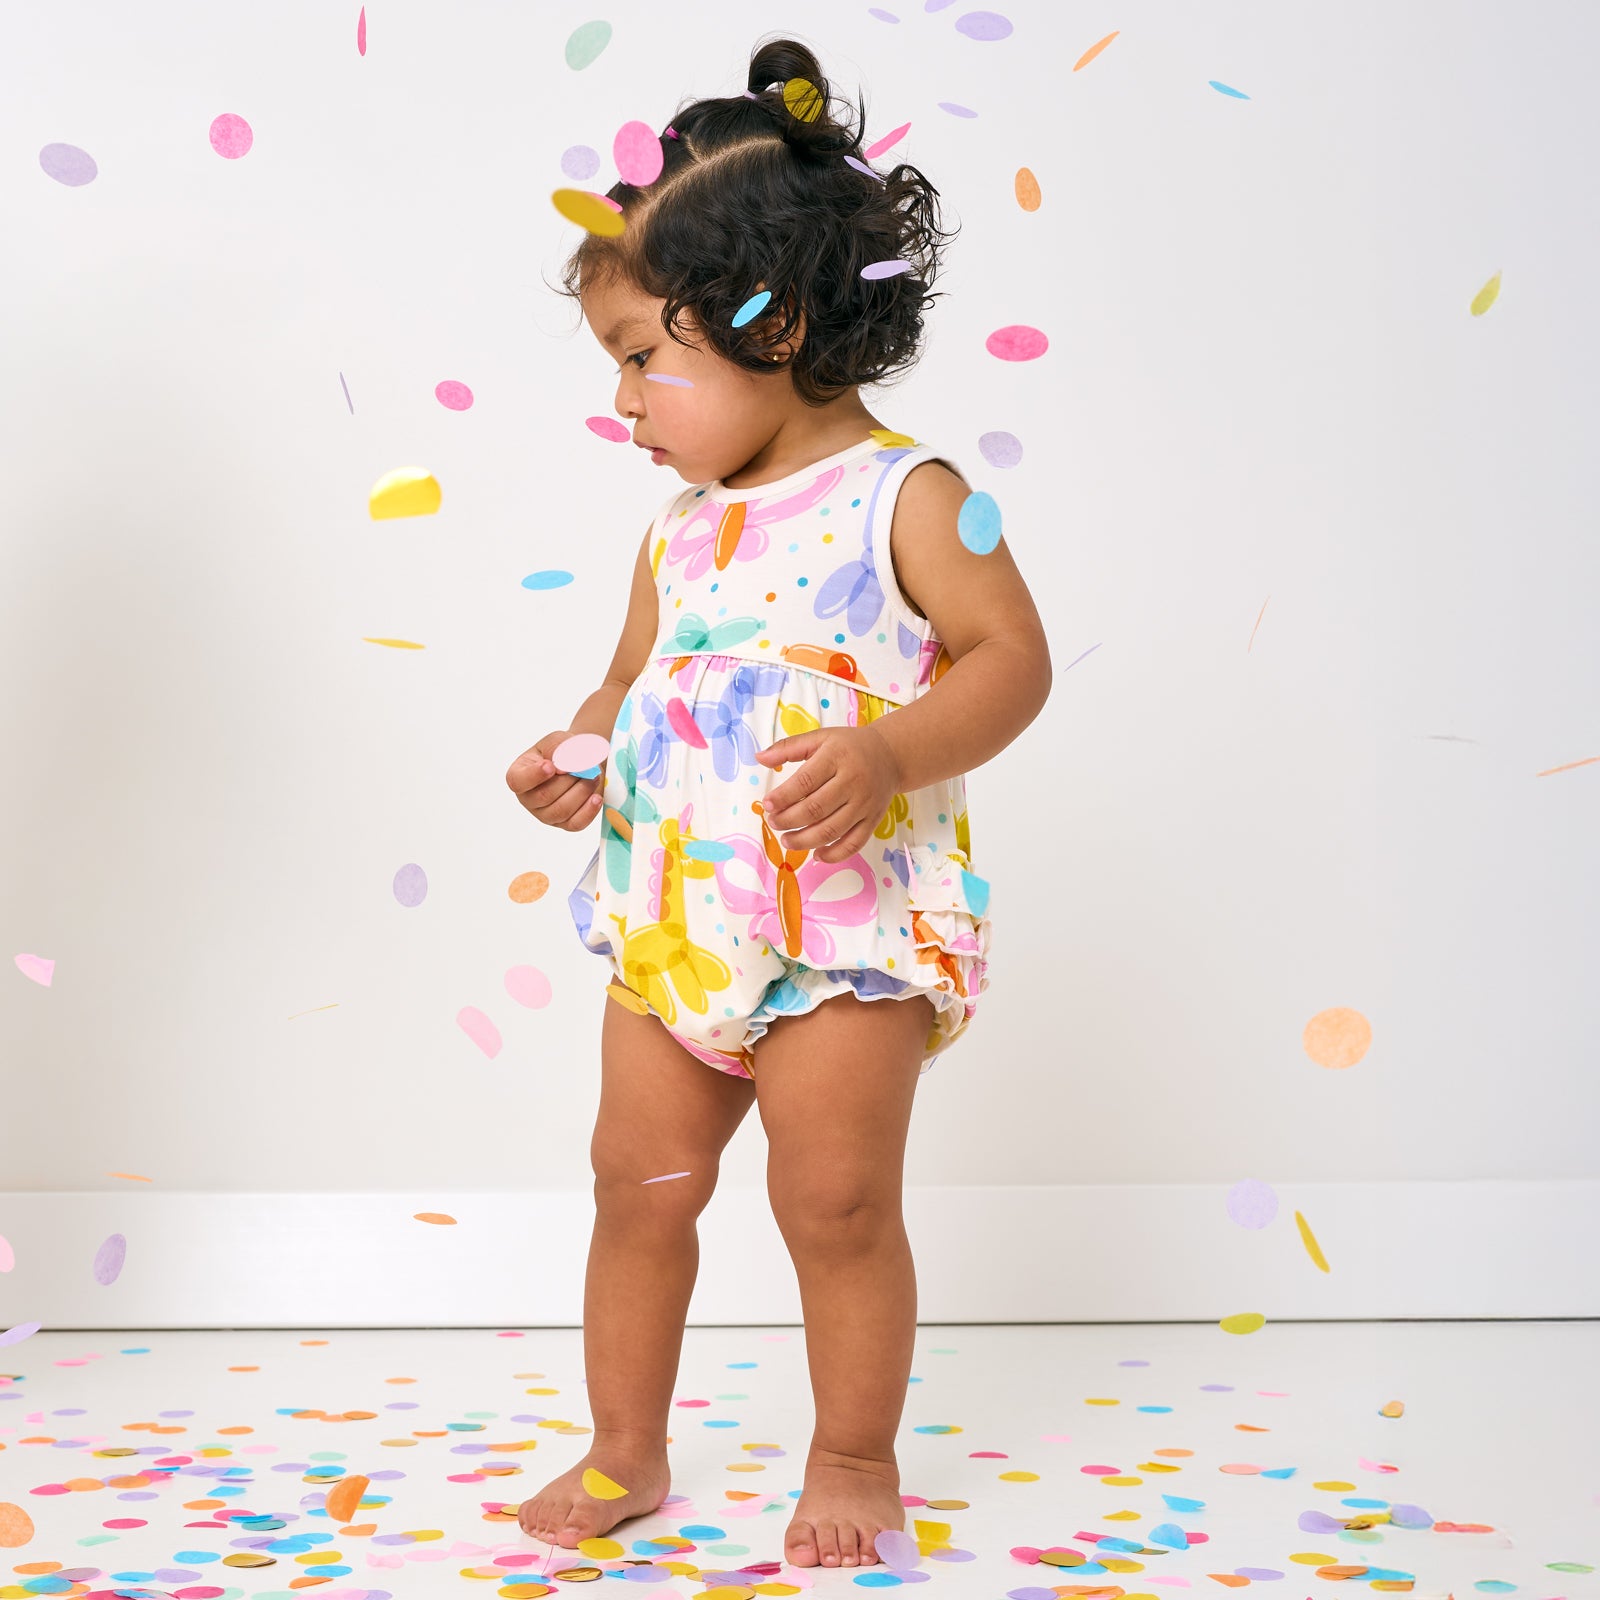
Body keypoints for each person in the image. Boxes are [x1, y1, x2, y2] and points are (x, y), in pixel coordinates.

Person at [505, 33, 1052, 1573]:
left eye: (642, 356)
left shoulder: (911, 497)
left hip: (847, 936)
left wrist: (887, 756)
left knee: (834, 1202)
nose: (621, 400)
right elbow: (626, 682)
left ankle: (854, 1452)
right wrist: (583, 750)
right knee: (637, 1184)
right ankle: (625, 1447)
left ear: (779, 322)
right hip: (680, 927)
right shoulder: (680, 532)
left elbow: (1014, 663)